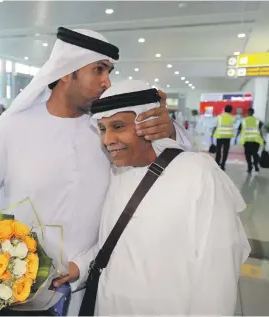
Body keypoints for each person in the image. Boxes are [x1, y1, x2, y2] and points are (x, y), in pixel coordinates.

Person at [0, 27, 191, 314]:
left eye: (109, 71)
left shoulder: (107, 130)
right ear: (65, 71)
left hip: (91, 278)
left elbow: (158, 168)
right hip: (20, 290)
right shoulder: (15, 129)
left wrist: (168, 129)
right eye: (98, 70)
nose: (107, 82)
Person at [56, 80, 250, 315]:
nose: (107, 139)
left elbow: (217, 280)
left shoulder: (198, 173)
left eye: (118, 126)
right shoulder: (118, 174)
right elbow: (118, 244)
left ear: (149, 123)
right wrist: (81, 267)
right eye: (103, 129)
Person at [235, 108, 264, 174]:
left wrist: (236, 138)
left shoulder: (244, 121)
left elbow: (239, 130)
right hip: (256, 140)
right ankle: (256, 165)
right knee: (255, 153)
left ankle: (249, 166)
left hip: (247, 140)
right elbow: (260, 131)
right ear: (253, 113)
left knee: (247, 154)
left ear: (248, 112)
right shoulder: (257, 121)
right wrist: (262, 139)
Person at [212, 105, 235, 170]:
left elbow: (215, 125)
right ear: (231, 110)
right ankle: (223, 164)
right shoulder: (232, 118)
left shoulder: (219, 117)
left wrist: (212, 134)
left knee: (218, 150)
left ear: (224, 109)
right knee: (226, 151)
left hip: (219, 136)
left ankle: (217, 163)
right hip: (227, 137)